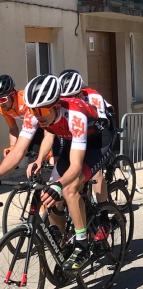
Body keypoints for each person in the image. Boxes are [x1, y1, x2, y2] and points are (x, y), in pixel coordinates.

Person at [0, 74, 113, 271]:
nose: (37, 115)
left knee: (69, 188)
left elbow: (76, 166)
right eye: (34, 110)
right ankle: (63, 237)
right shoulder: (36, 114)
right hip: (71, 139)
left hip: (98, 142)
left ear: (55, 105)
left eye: (42, 110)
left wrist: (58, 185)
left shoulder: (75, 114)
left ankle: (82, 244)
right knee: (49, 195)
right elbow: (18, 151)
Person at [0, 74, 44, 161]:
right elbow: (13, 128)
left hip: (46, 122)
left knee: (34, 151)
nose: (1, 103)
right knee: (31, 153)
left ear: (12, 94)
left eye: (2, 99)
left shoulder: (25, 99)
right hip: (35, 125)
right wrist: (12, 147)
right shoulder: (3, 109)